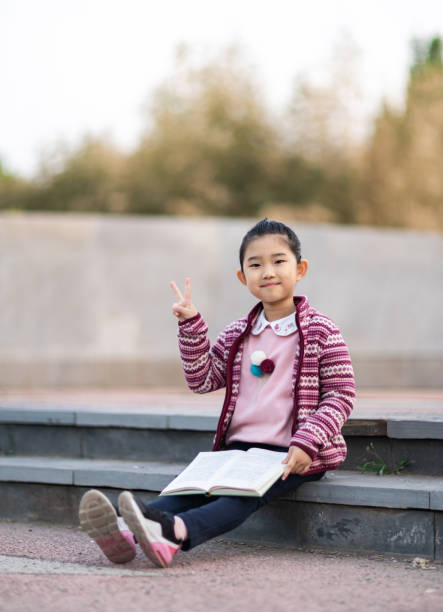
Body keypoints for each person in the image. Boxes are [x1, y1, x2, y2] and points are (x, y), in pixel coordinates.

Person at [79, 218, 355, 568]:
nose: (267, 271)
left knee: (241, 497)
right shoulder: (240, 332)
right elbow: (202, 379)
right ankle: (125, 534)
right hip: (239, 449)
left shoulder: (322, 330)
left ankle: (174, 533)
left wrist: (308, 440)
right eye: (255, 265)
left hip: (293, 453)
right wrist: (191, 326)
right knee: (189, 490)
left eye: (278, 261)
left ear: (300, 269)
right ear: (243, 277)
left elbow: (341, 394)